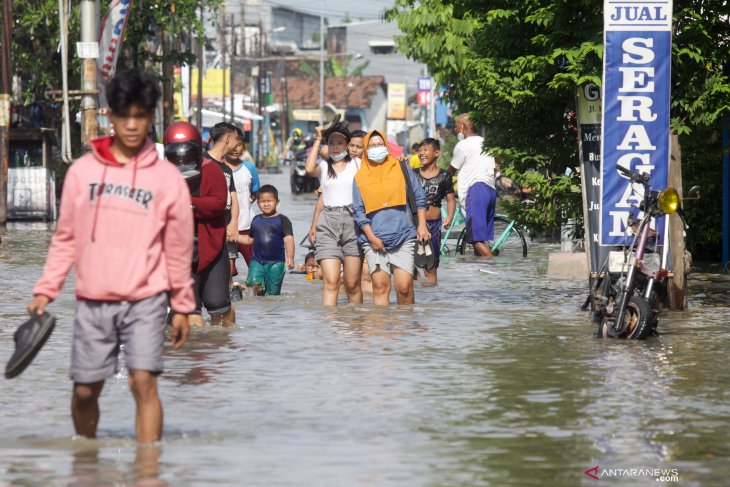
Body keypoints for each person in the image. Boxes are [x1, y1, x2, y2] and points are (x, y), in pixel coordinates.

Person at [27, 69, 194, 444]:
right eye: (123, 116)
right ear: (109, 116)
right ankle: (86, 461)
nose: (132, 125)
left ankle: (148, 470)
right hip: (92, 301)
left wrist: (182, 304)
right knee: (85, 390)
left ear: (151, 117)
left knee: (143, 382)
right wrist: (46, 289)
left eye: (140, 116)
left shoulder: (167, 178)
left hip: (147, 300)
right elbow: (66, 237)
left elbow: (179, 247)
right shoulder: (82, 172)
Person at [164, 122, 230, 327]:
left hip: (211, 244)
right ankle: (194, 354)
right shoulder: (161, 175)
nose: (182, 160)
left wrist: (188, 204)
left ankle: (224, 345)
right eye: (176, 155)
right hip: (178, 250)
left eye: (186, 154)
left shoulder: (212, 171)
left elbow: (219, 203)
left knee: (219, 306)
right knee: (190, 308)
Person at [352, 130, 430, 305]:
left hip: (404, 235)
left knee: (404, 287)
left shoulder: (402, 168)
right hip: (374, 239)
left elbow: (419, 197)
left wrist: (422, 225)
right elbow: (358, 211)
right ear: (365, 150)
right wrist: (372, 238)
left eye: (380, 144)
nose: (376, 148)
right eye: (371, 146)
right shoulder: (359, 178)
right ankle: (382, 330)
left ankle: (406, 327)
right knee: (380, 287)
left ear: (387, 147)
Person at [305, 121, 363, 306]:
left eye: (339, 143)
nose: (335, 147)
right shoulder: (323, 166)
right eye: (331, 143)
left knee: (352, 284)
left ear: (347, 145)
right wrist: (317, 138)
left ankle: (356, 323)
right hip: (328, 223)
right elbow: (308, 169)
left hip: (353, 222)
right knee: (331, 282)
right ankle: (330, 326)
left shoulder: (358, 164)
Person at [447, 113, 497, 257]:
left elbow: (451, 170)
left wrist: (440, 178)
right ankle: (480, 275)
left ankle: (494, 269)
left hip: (476, 190)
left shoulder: (463, 145)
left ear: (463, 126)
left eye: (456, 127)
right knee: (480, 239)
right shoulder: (485, 143)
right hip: (490, 190)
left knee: (475, 239)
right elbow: (492, 169)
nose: (456, 130)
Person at [236, 185, 294, 296]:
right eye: (262, 201)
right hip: (257, 261)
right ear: (257, 203)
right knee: (253, 283)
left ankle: (268, 311)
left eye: (269, 201)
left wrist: (290, 257)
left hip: (276, 263)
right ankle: (259, 297)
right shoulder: (256, 220)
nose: (266, 204)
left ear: (277, 201)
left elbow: (288, 239)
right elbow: (250, 239)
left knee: (272, 294)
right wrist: (235, 237)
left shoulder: (283, 220)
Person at [416, 138, 456, 283]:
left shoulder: (444, 176)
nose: (421, 153)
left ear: (437, 153)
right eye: (419, 150)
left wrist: (450, 217)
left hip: (433, 225)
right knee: (410, 263)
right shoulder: (412, 175)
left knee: (431, 265)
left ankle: (431, 299)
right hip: (414, 225)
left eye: (425, 150)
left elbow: (451, 199)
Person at [224, 126, 261, 281]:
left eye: (239, 145)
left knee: (257, 273)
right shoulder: (217, 168)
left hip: (248, 228)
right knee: (227, 274)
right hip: (226, 231)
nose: (235, 149)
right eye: (233, 144)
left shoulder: (249, 168)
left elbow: (257, 193)